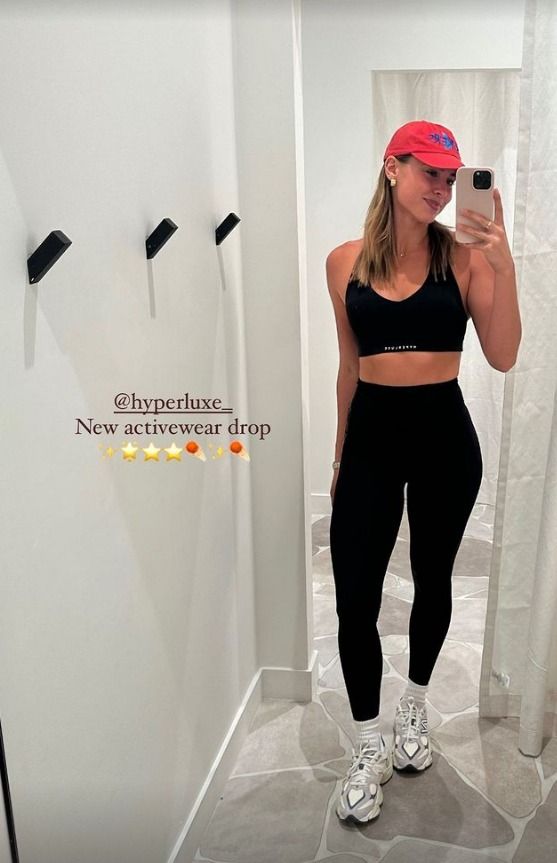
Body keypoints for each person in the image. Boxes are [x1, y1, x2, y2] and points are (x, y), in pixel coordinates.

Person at [326, 119, 521, 825]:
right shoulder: (342, 262)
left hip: (443, 437)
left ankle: (414, 704)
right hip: (372, 437)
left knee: (432, 580)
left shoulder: (464, 257)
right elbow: (348, 368)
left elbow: (502, 354)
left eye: (449, 176)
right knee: (355, 597)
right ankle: (368, 742)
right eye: (427, 172)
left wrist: (502, 263)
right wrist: (340, 456)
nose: (440, 188)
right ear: (391, 167)